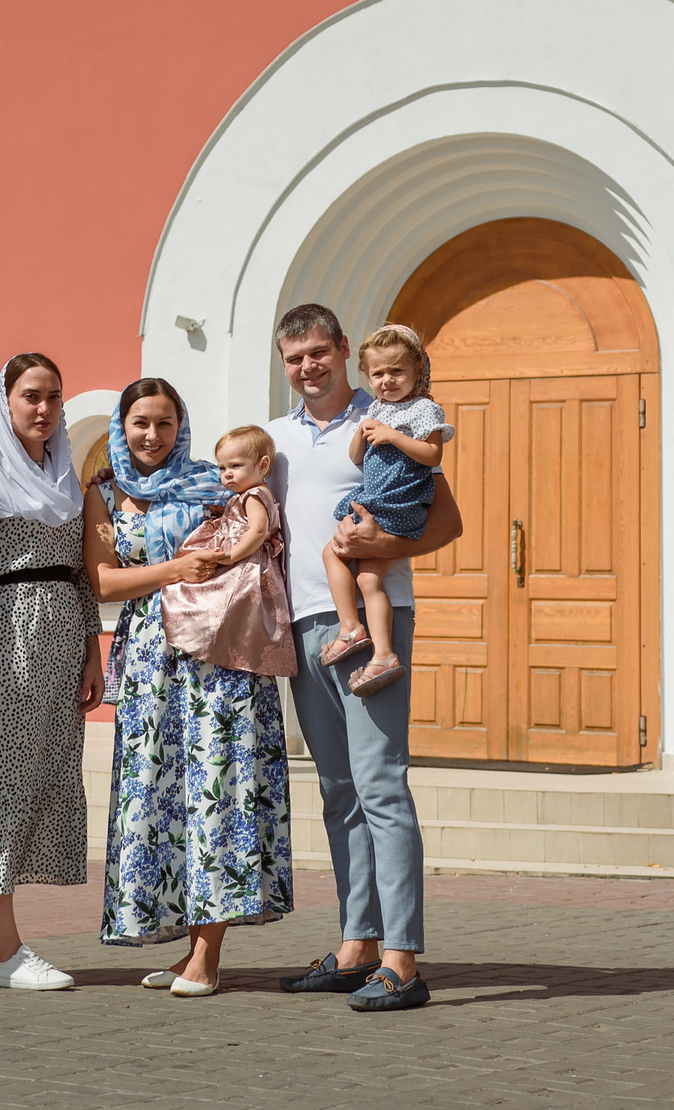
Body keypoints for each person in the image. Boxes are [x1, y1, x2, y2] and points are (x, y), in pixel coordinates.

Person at [266, 303, 465, 1013]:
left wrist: (380, 549)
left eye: (320, 351)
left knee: (381, 785)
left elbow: (448, 520)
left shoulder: (388, 415)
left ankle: (403, 959)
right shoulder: (277, 439)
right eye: (295, 357)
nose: (308, 366)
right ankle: (357, 946)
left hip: (377, 620)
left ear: (344, 350)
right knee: (338, 789)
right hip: (306, 626)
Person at [88, 379, 294, 997]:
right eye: (140, 423)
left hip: (220, 654)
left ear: (182, 428)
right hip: (152, 657)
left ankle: (208, 953)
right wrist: (175, 568)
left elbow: (263, 535)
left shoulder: (215, 482)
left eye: (165, 424)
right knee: (160, 795)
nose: (152, 436)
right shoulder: (103, 494)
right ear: (121, 426)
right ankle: (184, 951)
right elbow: (102, 582)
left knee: (220, 788)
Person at [0, 353, 103, 991]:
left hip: (63, 643)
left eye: (53, 396)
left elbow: (84, 576)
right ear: (5, 401)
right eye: (30, 395)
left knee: (36, 777)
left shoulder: (71, 478)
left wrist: (91, 649)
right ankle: (7, 955)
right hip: (5, 642)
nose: (43, 408)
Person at [318, 325, 452, 697]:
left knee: (367, 579)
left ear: (417, 372)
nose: (387, 381)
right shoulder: (377, 409)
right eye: (378, 373)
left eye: (397, 371)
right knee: (336, 557)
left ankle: (381, 652)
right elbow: (357, 458)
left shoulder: (425, 409)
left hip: (398, 502)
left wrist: (393, 436)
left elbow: (433, 455)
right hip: (377, 498)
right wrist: (362, 433)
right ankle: (353, 628)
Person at [163, 427, 297, 679]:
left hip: (245, 565)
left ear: (263, 465)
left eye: (235, 465)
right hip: (247, 560)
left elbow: (257, 531)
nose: (227, 474)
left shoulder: (254, 495)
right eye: (222, 468)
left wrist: (233, 555)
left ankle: (198, 638)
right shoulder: (250, 494)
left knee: (200, 597)